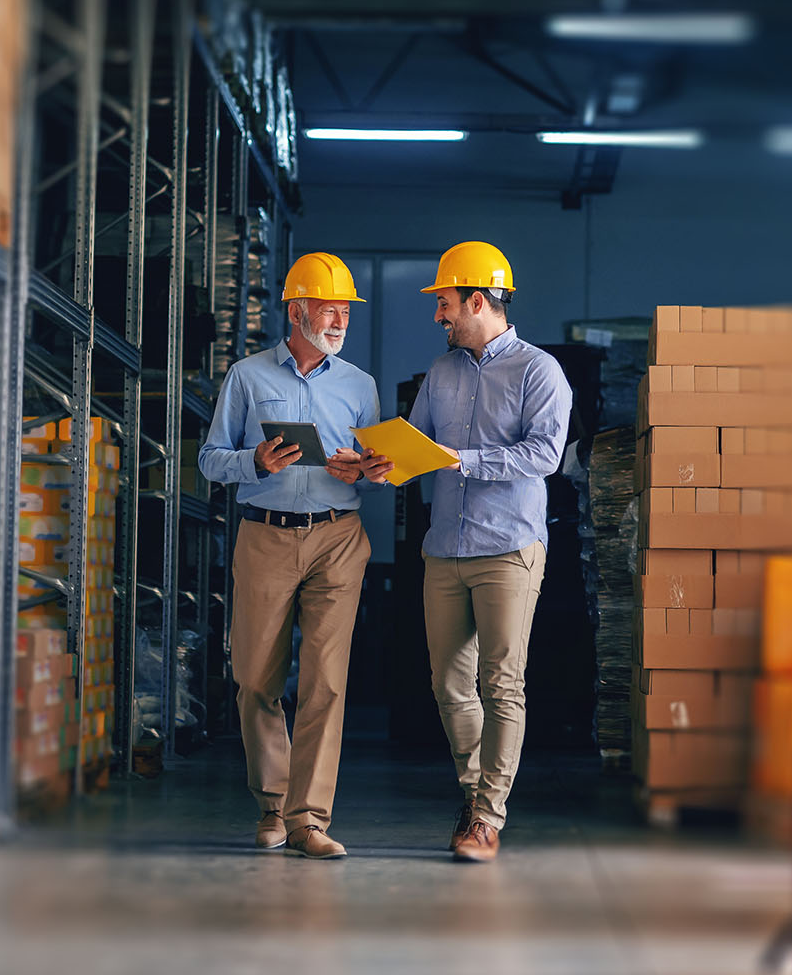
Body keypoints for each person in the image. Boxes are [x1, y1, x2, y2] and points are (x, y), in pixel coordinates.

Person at [198, 251, 394, 860]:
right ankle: (271, 807)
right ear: (295, 310)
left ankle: (309, 819)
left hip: (339, 537)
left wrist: (364, 470)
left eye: (345, 310)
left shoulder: (359, 385)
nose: (338, 319)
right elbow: (208, 458)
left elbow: (376, 468)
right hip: (265, 534)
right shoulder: (248, 377)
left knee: (325, 681)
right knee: (255, 676)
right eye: (327, 308)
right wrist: (253, 461)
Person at [404, 241, 571, 862]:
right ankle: (474, 797)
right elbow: (417, 447)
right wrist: (374, 462)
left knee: (502, 682)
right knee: (450, 684)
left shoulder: (538, 371)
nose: (439, 316)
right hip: (444, 545)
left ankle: (488, 816)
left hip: (508, 548)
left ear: (478, 300)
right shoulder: (440, 374)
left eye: (445, 304)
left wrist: (462, 460)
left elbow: (543, 457)